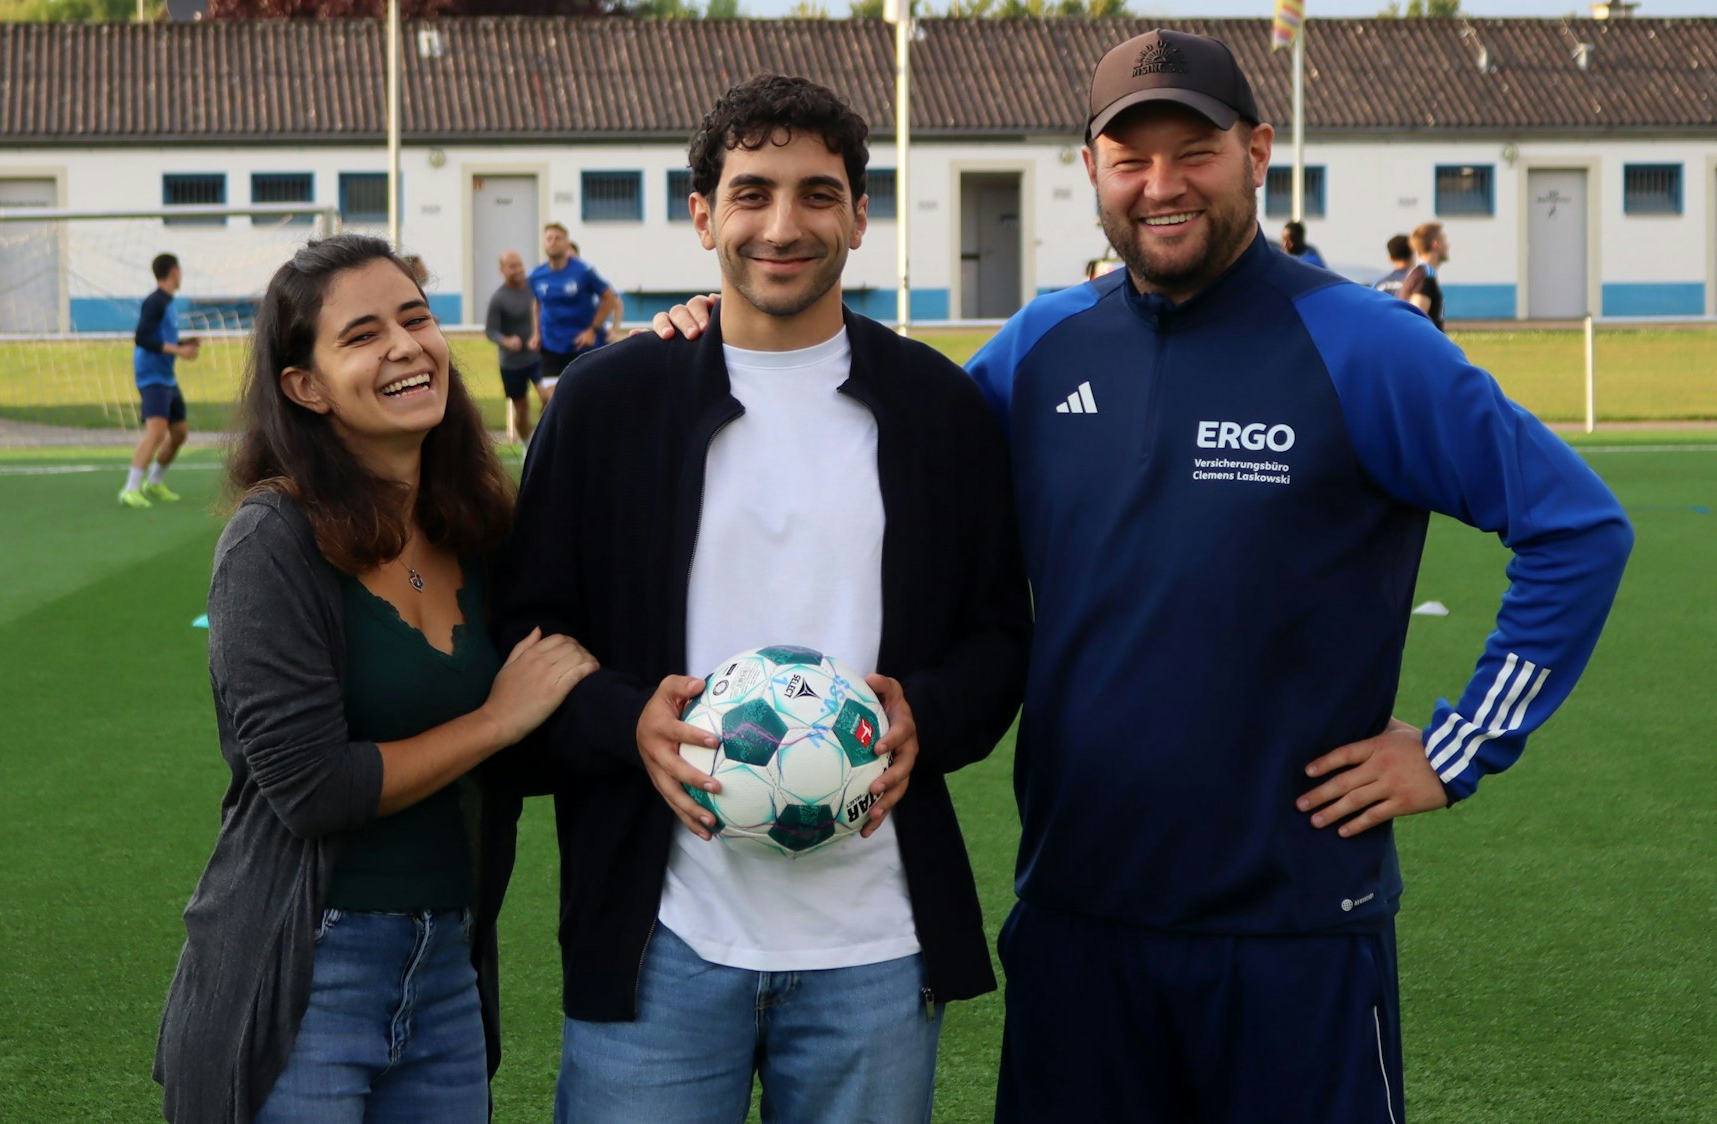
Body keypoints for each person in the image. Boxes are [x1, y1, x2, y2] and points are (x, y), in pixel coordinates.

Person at [961, 29, 1630, 1122]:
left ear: (1258, 151)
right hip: (1077, 919)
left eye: (1195, 151)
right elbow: (891, 455)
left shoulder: (1363, 343)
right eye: (1130, 159)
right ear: (1090, 169)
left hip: (1296, 932)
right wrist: (710, 339)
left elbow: (1578, 528)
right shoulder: (1040, 348)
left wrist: (1457, 747)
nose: (1162, 185)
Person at [495, 74, 1030, 1123]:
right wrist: (624, 721)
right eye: (751, 193)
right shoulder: (608, 404)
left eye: (817, 194)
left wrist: (927, 712)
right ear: (703, 216)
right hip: (660, 938)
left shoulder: (937, 407)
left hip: (873, 945)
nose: (782, 226)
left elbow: (999, 635)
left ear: (859, 216)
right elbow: (527, 632)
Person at [153, 234, 598, 1124]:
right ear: (305, 387)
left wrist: (685, 340)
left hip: (447, 966)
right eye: (361, 335)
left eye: (415, 319)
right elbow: (313, 789)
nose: (405, 346)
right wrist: (495, 720)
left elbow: (543, 733)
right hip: (304, 969)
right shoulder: (271, 543)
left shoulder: (476, 527)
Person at [120, 253, 198, 509]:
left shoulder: (168, 303)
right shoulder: (155, 301)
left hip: (166, 376)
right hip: (151, 375)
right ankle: (130, 489)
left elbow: (160, 339)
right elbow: (142, 337)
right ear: (174, 272)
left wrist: (183, 345)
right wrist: (179, 351)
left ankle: (153, 482)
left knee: (179, 433)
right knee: (157, 432)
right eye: (180, 270)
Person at [527, 222, 617, 401]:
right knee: (554, 401)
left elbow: (610, 298)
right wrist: (536, 333)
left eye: (558, 238)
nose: (553, 242)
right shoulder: (536, 275)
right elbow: (536, 303)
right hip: (551, 346)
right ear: (544, 243)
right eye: (549, 239)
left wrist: (592, 330)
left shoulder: (583, 271)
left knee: (585, 399)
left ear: (567, 243)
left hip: (581, 346)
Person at [484, 249, 542, 444]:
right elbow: (491, 331)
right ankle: (527, 446)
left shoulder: (534, 289)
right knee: (522, 409)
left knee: (549, 398)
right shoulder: (499, 298)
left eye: (519, 265)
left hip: (537, 357)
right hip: (512, 363)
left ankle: (544, 438)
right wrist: (507, 341)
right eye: (512, 267)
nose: (518, 270)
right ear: (502, 270)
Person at [1401, 220, 1449, 330]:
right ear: (1435, 244)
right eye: (1444, 240)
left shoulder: (1420, 273)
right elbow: (1417, 318)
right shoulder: (1424, 276)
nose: (1448, 246)